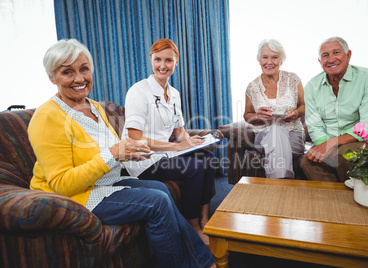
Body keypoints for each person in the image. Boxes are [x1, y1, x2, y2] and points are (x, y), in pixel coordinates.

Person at [28, 38, 216, 268]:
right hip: (78, 195)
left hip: (105, 181)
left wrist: (129, 153)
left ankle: (200, 260)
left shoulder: (95, 107)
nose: (79, 78)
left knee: (161, 189)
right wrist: (116, 154)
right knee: (156, 201)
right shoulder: (46, 117)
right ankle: (193, 264)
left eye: (84, 69)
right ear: (52, 77)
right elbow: (62, 184)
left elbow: (112, 149)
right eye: (68, 72)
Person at [122, 38, 216, 245]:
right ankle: (193, 227)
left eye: (168, 60)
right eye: (157, 59)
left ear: (176, 62)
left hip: (164, 153)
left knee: (208, 157)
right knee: (194, 168)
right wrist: (177, 146)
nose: (162, 65)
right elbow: (135, 138)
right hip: (142, 158)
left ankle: (205, 218)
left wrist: (192, 141)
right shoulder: (138, 91)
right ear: (150, 60)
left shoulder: (174, 94)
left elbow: (179, 130)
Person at [300, 36, 368, 182]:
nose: (331, 59)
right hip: (330, 144)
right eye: (325, 55)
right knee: (307, 162)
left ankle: (357, 194)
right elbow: (314, 126)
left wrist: (332, 143)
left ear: (348, 55)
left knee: (345, 153)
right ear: (320, 62)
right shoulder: (311, 87)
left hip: (362, 142)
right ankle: (333, 200)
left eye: (336, 53)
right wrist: (325, 146)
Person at [243, 39, 305, 179]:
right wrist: (258, 116)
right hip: (264, 135)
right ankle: (284, 183)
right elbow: (247, 115)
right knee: (276, 130)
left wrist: (295, 113)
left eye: (275, 57)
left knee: (277, 146)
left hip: (293, 135)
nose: (269, 62)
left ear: (281, 60)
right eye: (265, 57)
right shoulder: (252, 86)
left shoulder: (293, 79)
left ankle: (277, 184)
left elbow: (303, 106)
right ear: (259, 60)